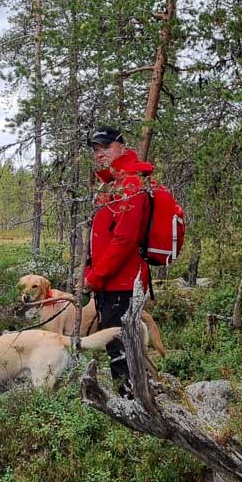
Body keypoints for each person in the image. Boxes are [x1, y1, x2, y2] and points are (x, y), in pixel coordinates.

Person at [84, 126, 154, 394]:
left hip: (122, 283)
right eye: (96, 149)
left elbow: (124, 240)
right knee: (118, 343)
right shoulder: (110, 184)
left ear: (122, 148)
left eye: (106, 147)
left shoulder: (131, 184)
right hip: (109, 282)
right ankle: (133, 396)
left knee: (120, 344)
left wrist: (96, 277)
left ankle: (132, 401)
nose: (100, 153)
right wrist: (92, 271)